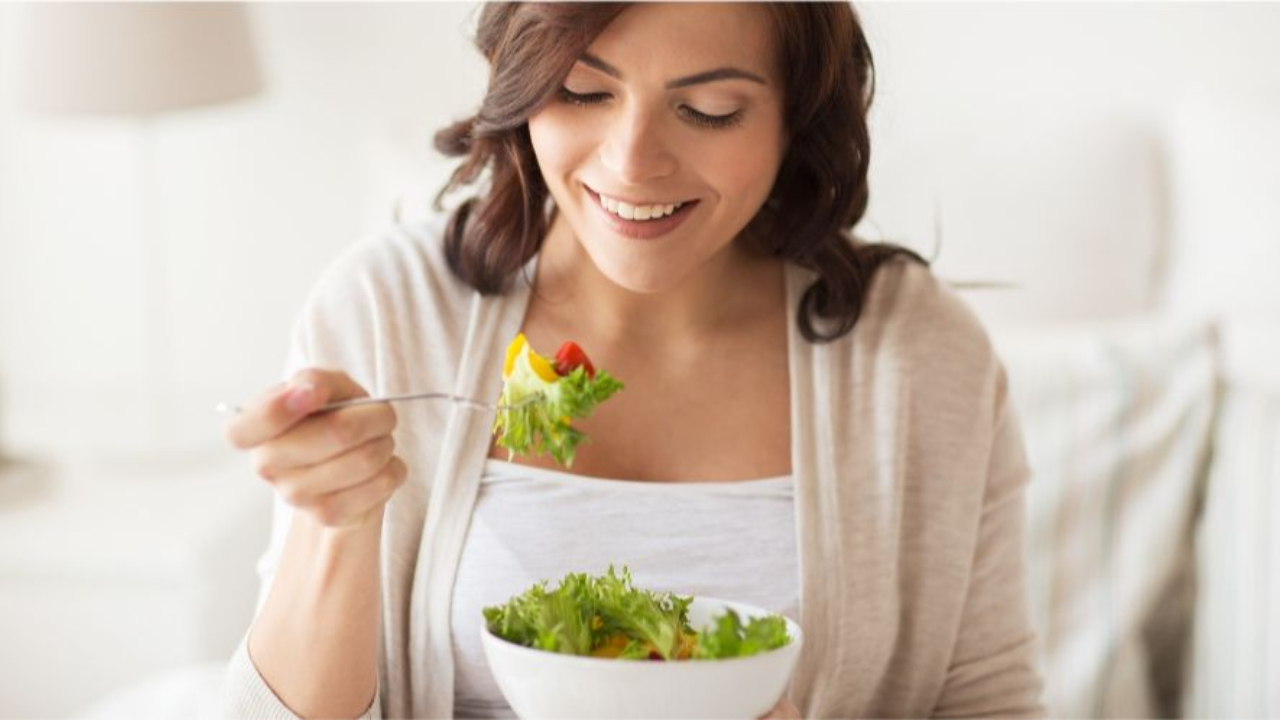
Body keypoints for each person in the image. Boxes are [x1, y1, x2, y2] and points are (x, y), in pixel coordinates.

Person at [219, 2, 1045, 718]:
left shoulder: (918, 356)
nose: (631, 162)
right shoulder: (384, 311)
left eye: (711, 109)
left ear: (797, 114)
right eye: (583, 91)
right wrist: (338, 527)